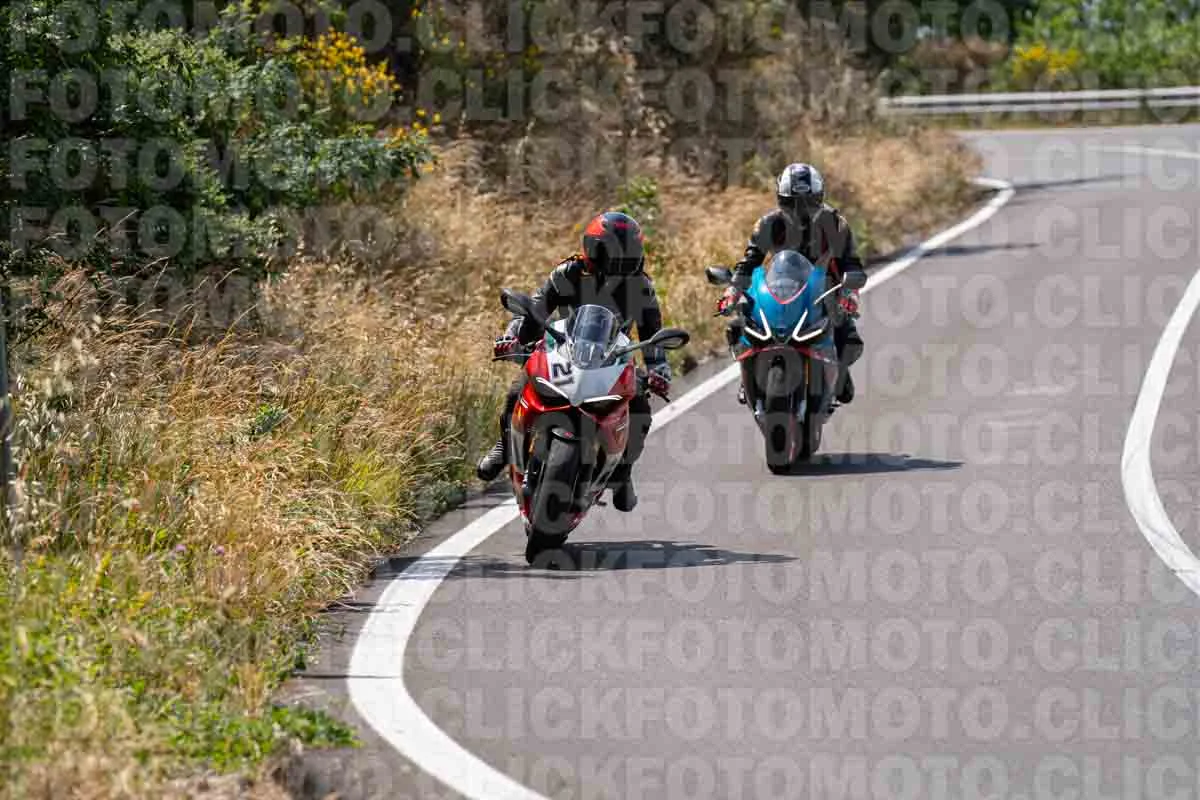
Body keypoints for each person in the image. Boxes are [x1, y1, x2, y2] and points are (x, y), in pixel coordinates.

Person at [476, 211, 671, 513]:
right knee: (519, 388)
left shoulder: (641, 287)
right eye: (608, 252)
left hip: (613, 358)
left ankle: (623, 472)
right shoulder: (568, 272)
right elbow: (535, 308)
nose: (616, 261)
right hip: (562, 347)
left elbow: (652, 332)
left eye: (625, 254)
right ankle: (505, 446)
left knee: (640, 408)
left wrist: (658, 370)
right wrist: (512, 338)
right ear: (591, 248)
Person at [718, 162, 865, 404]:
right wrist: (733, 290)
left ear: (819, 198)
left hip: (824, 288)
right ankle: (748, 377)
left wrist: (849, 292)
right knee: (740, 324)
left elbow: (851, 264)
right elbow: (750, 261)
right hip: (779, 285)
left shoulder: (836, 225)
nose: (800, 211)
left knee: (846, 334)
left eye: (808, 203)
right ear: (780, 200)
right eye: (792, 203)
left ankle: (838, 372)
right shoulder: (768, 224)